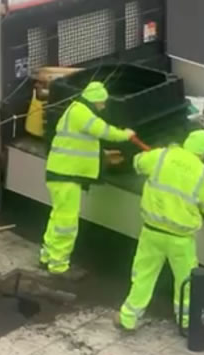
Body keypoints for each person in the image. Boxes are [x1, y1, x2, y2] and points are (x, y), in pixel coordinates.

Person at [115, 129, 204, 330]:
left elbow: (137, 164)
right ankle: (186, 322)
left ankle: (128, 318)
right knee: (186, 281)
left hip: (152, 231)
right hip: (181, 239)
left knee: (143, 276)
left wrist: (151, 157)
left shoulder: (162, 155)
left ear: (186, 143)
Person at [40, 81, 135, 278]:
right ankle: (59, 266)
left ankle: (47, 256)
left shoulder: (75, 111)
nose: (103, 107)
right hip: (66, 176)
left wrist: (102, 155)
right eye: (102, 103)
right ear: (95, 101)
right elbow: (104, 131)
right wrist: (126, 135)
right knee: (67, 223)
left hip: (60, 174)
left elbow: (81, 144)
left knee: (58, 217)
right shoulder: (82, 113)